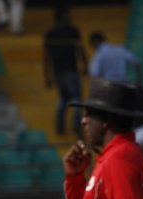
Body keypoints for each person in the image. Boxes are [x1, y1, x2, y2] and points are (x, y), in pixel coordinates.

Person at [43, 4, 87, 137]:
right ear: (64, 15)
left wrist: (47, 76)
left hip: (58, 73)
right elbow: (80, 49)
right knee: (76, 99)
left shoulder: (50, 33)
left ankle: (60, 126)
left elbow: (46, 57)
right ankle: (76, 126)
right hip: (71, 71)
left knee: (62, 99)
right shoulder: (72, 31)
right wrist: (85, 64)